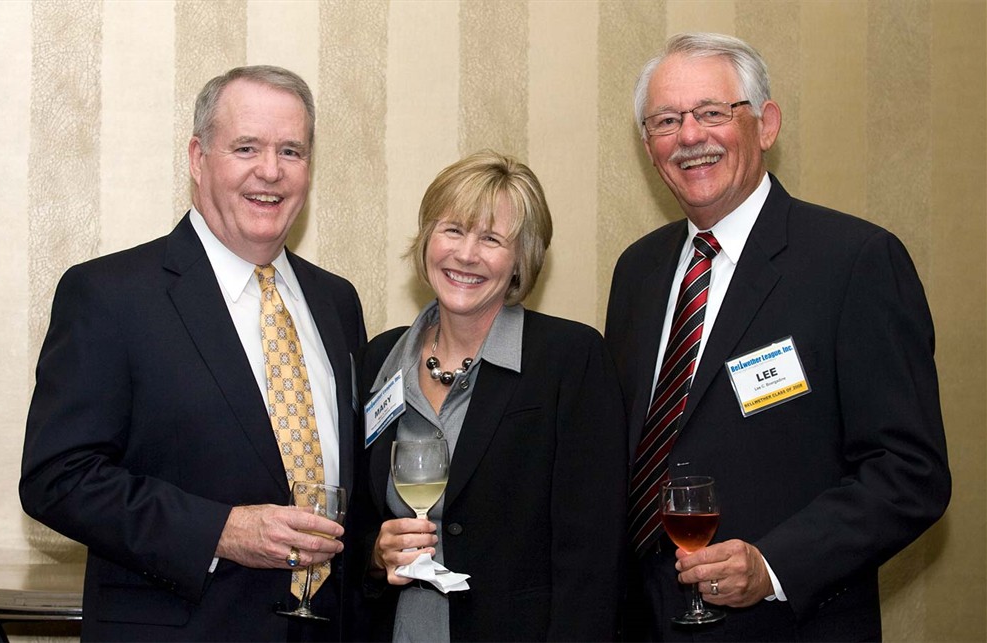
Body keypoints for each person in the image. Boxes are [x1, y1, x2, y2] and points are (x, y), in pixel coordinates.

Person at [605, 33, 951, 641]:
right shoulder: (637, 271)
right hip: (644, 622)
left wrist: (773, 565)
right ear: (648, 147)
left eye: (712, 112)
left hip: (784, 625)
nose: (689, 137)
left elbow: (909, 472)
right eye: (665, 121)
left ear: (766, 124)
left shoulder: (855, 262)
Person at [19, 65, 366, 641]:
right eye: (246, 147)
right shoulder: (110, 295)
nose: (271, 171)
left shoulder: (337, 301)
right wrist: (219, 531)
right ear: (198, 158)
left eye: (291, 151)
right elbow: (57, 477)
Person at [356, 150, 627, 641]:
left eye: (492, 239)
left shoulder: (570, 359)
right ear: (427, 241)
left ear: (522, 259)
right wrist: (375, 556)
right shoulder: (380, 360)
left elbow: (591, 556)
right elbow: (356, 521)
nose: (466, 254)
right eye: (453, 230)